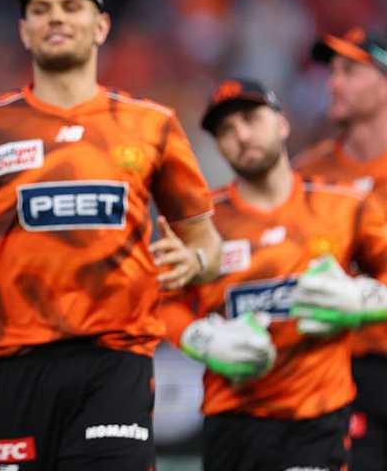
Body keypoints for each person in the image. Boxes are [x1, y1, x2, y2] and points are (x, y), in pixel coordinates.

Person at [0, 0, 223, 470]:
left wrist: (195, 263)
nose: (56, 17)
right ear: (24, 31)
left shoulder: (151, 125)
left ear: (101, 26)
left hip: (116, 359)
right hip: (16, 362)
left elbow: (207, 244)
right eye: (41, 9)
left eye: (71, 6)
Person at [161, 77, 387, 471]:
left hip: (318, 419)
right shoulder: (201, 222)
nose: (241, 136)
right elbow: (162, 301)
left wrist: (364, 300)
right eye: (226, 130)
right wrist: (202, 339)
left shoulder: (344, 205)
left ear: (282, 124)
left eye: (251, 119)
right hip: (232, 420)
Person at [296, 28, 387, 470]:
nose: (333, 83)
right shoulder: (310, 173)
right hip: (342, 370)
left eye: (350, 71)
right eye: (331, 72)